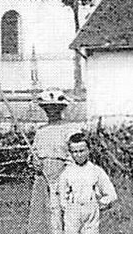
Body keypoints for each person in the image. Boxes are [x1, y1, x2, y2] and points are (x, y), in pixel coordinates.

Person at [28, 89, 80, 232]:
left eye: (55, 107)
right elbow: (33, 154)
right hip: (42, 177)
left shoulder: (70, 128)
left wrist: (66, 175)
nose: (51, 111)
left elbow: (75, 154)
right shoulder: (41, 130)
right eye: (48, 108)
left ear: (61, 108)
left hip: (62, 176)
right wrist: (35, 162)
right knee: (44, 212)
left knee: (60, 212)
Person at [55, 130, 118, 234]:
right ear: (70, 153)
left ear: (88, 150)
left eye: (82, 151)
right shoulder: (67, 172)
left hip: (91, 209)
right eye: (75, 152)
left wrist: (100, 204)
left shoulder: (96, 171)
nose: (78, 155)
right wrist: (67, 207)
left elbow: (111, 194)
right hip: (73, 210)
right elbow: (62, 193)